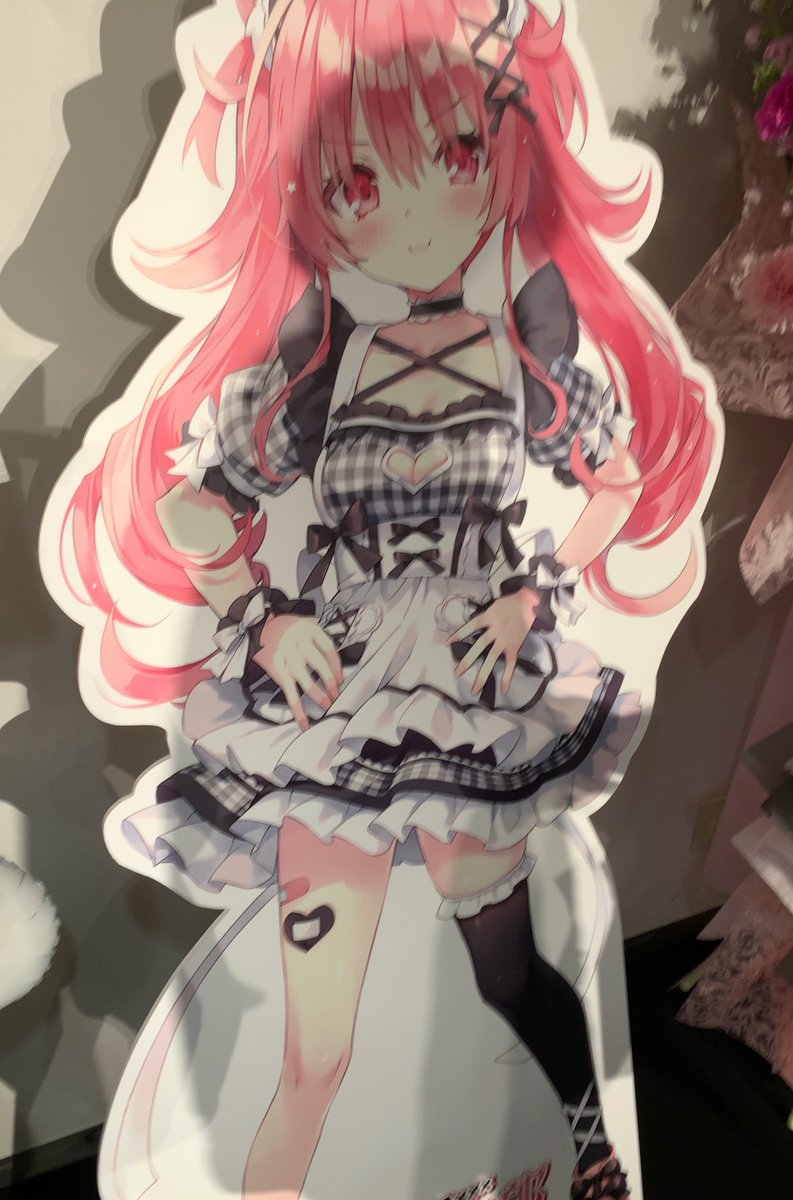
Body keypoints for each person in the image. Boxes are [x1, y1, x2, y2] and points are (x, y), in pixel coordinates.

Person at [59, 2, 718, 1197]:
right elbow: (196, 508)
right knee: (314, 1052)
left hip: (469, 685)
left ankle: (588, 1148)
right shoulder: (319, 355)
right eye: (358, 181)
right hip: (339, 704)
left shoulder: (525, 342)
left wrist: (531, 597)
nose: (411, 213)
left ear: (500, 155)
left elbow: (614, 483)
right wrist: (264, 618)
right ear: (312, 196)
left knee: (505, 973)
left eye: (454, 155)